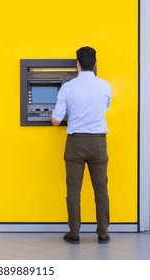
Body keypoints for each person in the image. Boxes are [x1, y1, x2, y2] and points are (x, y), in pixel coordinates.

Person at [51, 46, 112, 244]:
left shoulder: (68, 87)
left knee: (73, 190)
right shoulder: (105, 86)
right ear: (94, 64)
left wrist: (53, 115)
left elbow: (56, 120)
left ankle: (74, 233)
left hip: (75, 143)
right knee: (101, 189)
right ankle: (103, 233)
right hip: (98, 142)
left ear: (77, 64)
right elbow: (105, 108)